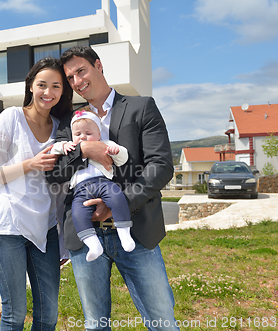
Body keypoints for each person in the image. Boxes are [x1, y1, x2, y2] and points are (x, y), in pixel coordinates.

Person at [46, 46, 178, 330]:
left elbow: (161, 166)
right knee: (95, 324)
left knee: (162, 321)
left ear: (98, 65)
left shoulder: (141, 108)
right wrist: (84, 149)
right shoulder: (69, 122)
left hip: (138, 231)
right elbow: (54, 174)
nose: (77, 82)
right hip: (85, 236)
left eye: (81, 71)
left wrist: (118, 206)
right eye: (70, 78)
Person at [0, 57, 73, 331]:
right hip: (7, 228)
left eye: (56, 86)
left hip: (45, 230)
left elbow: (60, 190)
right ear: (31, 86)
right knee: (15, 313)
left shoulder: (60, 128)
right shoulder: (10, 117)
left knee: (49, 314)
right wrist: (30, 164)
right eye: (42, 84)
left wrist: (63, 240)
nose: (49, 92)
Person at [50, 106, 134, 262]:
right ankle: (93, 245)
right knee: (78, 213)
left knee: (117, 198)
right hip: (80, 190)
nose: (83, 137)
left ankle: (124, 233)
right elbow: (53, 152)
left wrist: (117, 151)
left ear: (99, 134)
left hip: (103, 183)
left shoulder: (105, 144)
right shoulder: (71, 147)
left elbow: (123, 159)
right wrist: (62, 146)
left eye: (88, 134)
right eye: (77, 134)